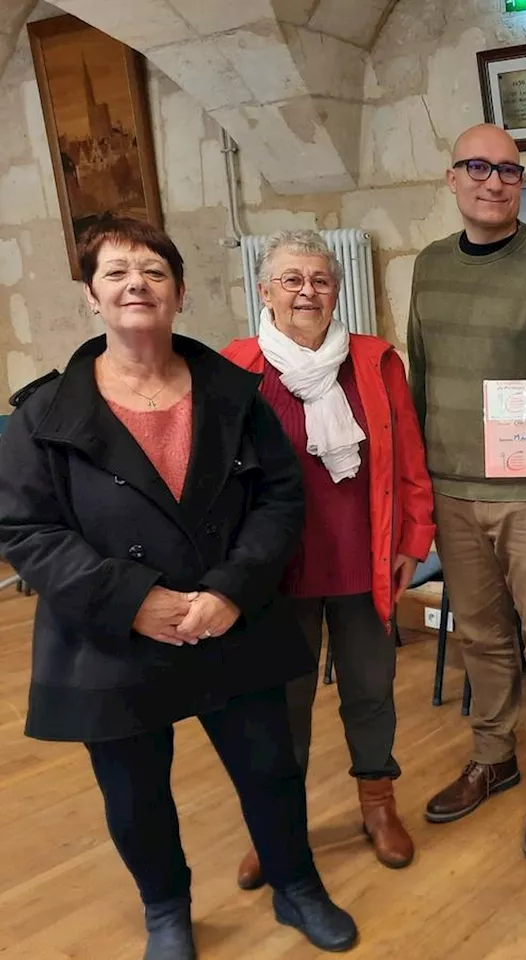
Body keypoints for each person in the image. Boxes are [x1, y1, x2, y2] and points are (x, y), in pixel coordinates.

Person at [0, 218, 356, 959]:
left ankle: (297, 888)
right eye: (118, 273)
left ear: (180, 292)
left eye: (155, 272)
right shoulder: (41, 414)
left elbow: (280, 499)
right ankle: (166, 912)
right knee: (135, 796)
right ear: (93, 298)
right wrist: (136, 601)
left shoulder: (234, 393)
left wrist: (228, 591)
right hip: (112, 635)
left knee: (271, 770)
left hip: (230, 618)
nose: (138, 284)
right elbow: (27, 531)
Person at [406, 123, 526, 860]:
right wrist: (420, 481)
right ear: (452, 179)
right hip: (453, 488)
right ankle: (496, 756)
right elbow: (420, 374)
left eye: (510, 171)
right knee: (481, 636)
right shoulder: (426, 265)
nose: (494, 181)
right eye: (478, 167)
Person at [223, 229, 436, 887]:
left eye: (319, 279)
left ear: (337, 289)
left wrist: (412, 541)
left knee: (370, 692)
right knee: (279, 704)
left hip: (362, 560)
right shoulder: (234, 367)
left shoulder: (375, 362)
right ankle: (276, 826)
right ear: (265, 291)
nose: (307, 292)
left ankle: (377, 804)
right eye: (291, 279)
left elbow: (408, 461)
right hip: (275, 571)